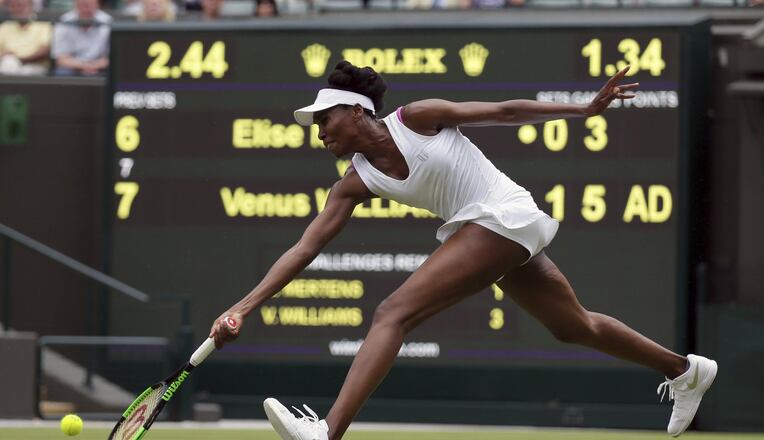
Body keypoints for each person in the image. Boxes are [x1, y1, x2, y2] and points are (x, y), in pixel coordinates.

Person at [209, 60, 718, 440]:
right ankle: (684, 370)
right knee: (573, 326)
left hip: (502, 214)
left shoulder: (417, 118)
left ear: (354, 110)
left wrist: (583, 108)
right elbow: (303, 249)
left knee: (392, 313)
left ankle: (328, 431)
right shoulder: (352, 184)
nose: (318, 133)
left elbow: (504, 111)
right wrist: (242, 307)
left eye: (324, 120)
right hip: (490, 231)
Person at [50, 0, 110, 76]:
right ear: (75, 4)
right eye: (83, 4)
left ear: (98, 4)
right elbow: (61, 59)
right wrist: (84, 67)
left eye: (89, 4)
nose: (86, 9)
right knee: (62, 72)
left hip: (100, 68)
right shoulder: (63, 22)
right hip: (72, 68)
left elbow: (110, 58)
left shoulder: (108, 21)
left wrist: (94, 66)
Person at [0, 0, 52, 75]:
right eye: (14, 6)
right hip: (7, 63)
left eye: (22, 5)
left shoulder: (43, 24)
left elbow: (44, 50)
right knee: (9, 62)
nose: (19, 9)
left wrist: (20, 59)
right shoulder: (5, 26)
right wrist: (5, 55)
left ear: (31, 7)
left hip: (35, 65)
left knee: (13, 67)